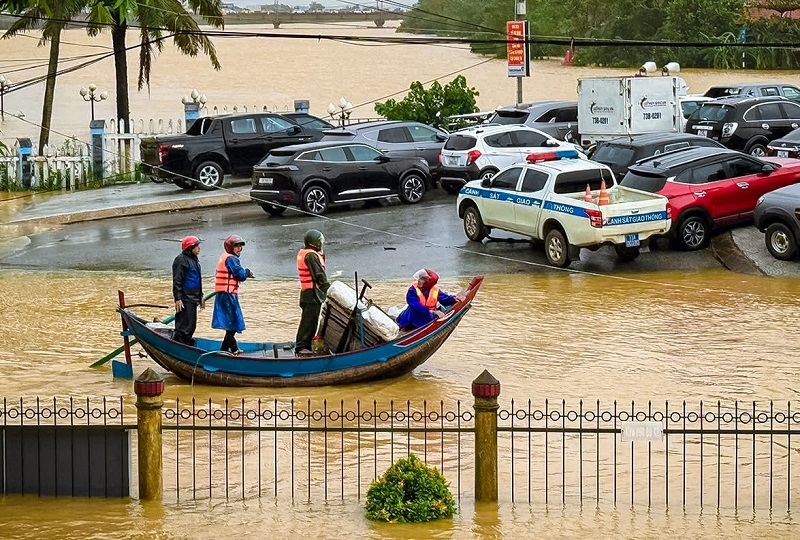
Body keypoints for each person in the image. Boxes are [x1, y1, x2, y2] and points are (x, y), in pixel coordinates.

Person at [212, 235, 254, 354]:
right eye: (236, 246)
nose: (239, 248)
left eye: (240, 246)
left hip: (223, 294)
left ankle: (234, 348)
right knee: (233, 323)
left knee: (231, 323)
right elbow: (240, 275)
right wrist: (247, 272)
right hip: (227, 295)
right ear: (230, 247)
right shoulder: (232, 259)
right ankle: (224, 350)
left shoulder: (224, 257)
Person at [295, 229, 330, 355]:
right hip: (312, 294)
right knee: (308, 322)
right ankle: (301, 347)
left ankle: (305, 344)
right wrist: (328, 290)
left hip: (308, 293)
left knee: (310, 321)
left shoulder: (306, 253)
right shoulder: (311, 255)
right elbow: (319, 275)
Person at [172, 235, 205, 345]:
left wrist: (201, 296)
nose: (199, 248)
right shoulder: (181, 260)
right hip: (185, 297)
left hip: (193, 296)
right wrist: (178, 298)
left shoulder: (194, 260)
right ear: (190, 248)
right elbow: (177, 280)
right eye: (197, 246)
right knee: (185, 324)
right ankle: (180, 343)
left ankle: (186, 341)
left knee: (191, 324)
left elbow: (197, 280)